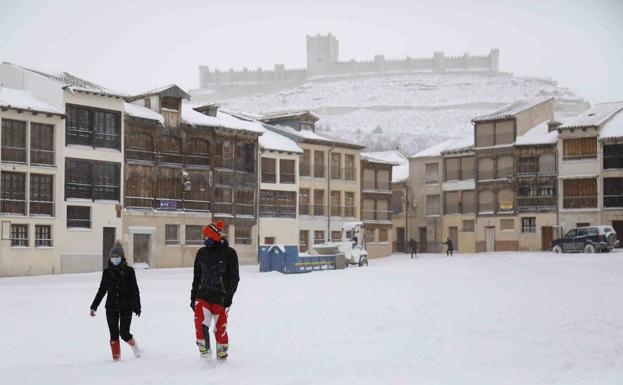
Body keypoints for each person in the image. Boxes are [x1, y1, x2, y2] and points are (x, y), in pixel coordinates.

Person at [191, 220, 240, 361]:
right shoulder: (201, 253)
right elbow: (196, 277)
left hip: (222, 298)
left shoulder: (230, 253)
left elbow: (234, 278)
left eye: (205, 236)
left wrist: (229, 296)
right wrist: (193, 297)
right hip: (203, 296)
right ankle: (205, 358)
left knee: (219, 330)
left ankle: (222, 358)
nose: (203, 239)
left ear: (213, 236)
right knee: (200, 326)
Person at [90, 240, 142, 361]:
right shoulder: (107, 272)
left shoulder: (129, 271)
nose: (114, 258)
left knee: (124, 333)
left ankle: (134, 345)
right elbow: (102, 290)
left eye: (117, 256)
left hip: (126, 306)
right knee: (113, 334)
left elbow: (134, 289)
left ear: (122, 257)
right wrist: (94, 306)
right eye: (112, 257)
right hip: (111, 307)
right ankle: (116, 359)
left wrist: (137, 305)